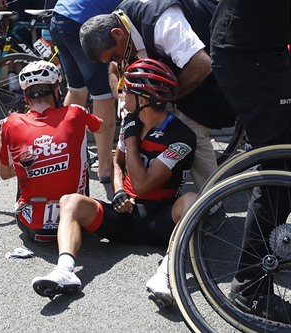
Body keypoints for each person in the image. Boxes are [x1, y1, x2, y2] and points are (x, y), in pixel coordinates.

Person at [31, 59, 197, 306]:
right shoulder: (133, 121)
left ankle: (166, 274)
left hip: (160, 220)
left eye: (127, 90)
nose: (121, 94)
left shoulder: (182, 137)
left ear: (143, 100)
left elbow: (142, 185)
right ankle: (65, 271)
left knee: (192, 201)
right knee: (71, 202)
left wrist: (130, 139)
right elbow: (116, 164)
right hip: (125, 215)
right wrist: (118, 191)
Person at [78, 0, 235, 227]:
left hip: (212, 67)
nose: (117, 61)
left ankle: (214, 207)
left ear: (117, 33)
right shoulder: (118, 25)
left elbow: (202, 64)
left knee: (192, 132)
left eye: (114, 54)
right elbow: (113, 69)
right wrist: (122, 94)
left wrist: (159, 98)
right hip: (175, 73)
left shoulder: (162, 22)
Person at [210, 0, 291, 322]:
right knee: (278, 167)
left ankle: (274, 248)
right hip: (246, 54)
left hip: (261, 48)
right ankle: (249, 288)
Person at [0, 60, 104, 242]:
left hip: (30, 224)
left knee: (24, 163)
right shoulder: (75, 112)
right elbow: (101, 127)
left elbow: (6, 173)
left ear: (26, 96)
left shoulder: (10, 122)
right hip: (77, 220)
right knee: (80, 148)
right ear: (57, 90)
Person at [50, 0, 121, 196]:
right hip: (83, 22)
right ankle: (105, 166)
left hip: (60, 17)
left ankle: (60, 155)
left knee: (77, 90)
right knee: (104, 95)